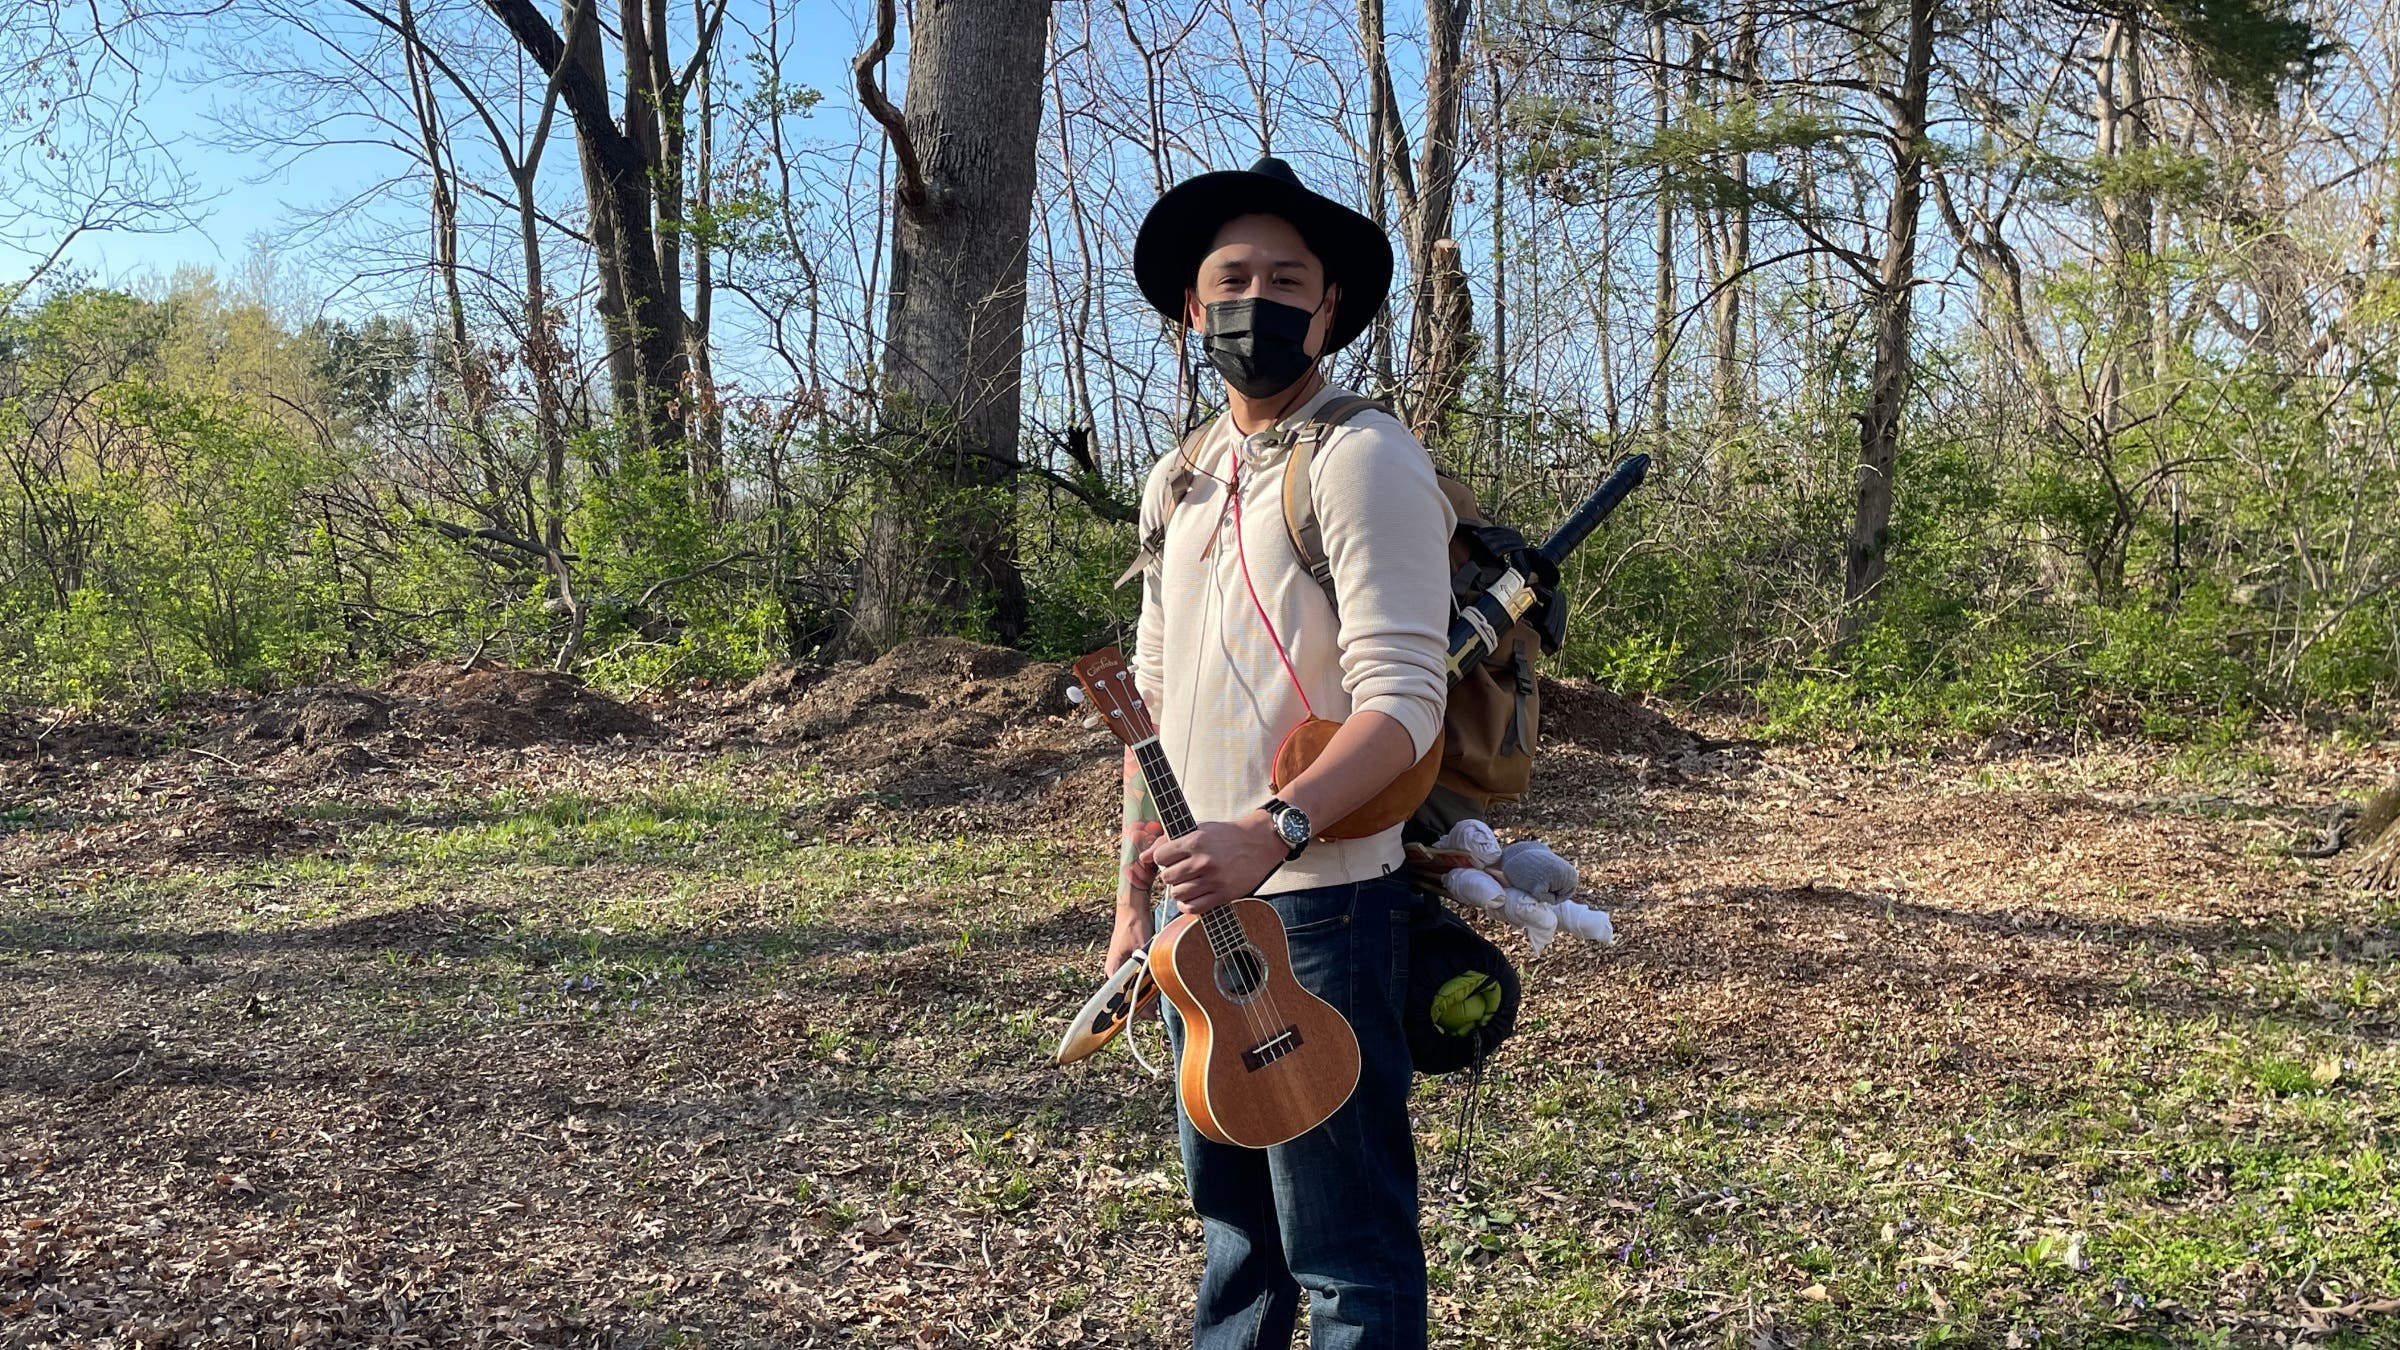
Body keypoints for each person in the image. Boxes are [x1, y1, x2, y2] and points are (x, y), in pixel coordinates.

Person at [1107, 155, 1453, 1350]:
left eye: (1288, 279)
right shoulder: (1179, 478)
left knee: (1344, 1242)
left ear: (1331, 310)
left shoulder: (1362, 460)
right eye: (1233, 277)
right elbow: (1149, 707)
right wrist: (1130, 903)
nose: (1259, 298)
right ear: (1192, 311)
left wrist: (1275, 830)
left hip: (1320, 912)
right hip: (1190, 921)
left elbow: (1407, 703)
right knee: (1238, 1235)